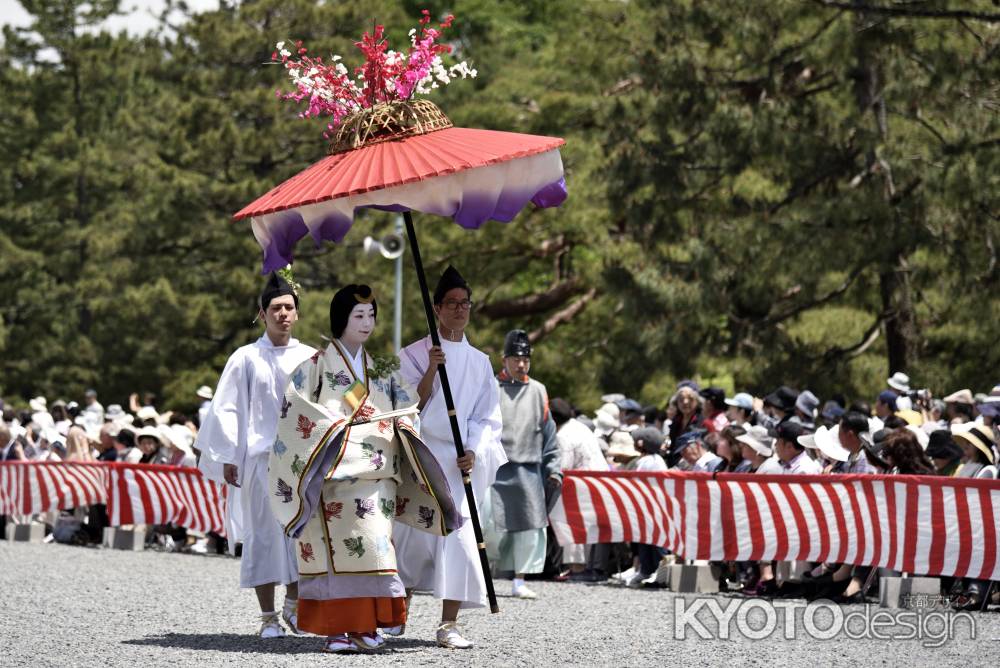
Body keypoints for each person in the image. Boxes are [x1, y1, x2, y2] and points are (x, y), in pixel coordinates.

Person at [269, 284, 462, 653]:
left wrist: (404, 414)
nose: (367, 322)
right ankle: (338, 629)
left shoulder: (382, 369)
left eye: (371, 315)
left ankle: (366, 624)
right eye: (359, 315)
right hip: (334, 474)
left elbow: (408, 406)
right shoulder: (315, 367)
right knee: (335, 553)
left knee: (375, 548)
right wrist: (333, 428)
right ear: (341, 318)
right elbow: (296, 410)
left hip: (376, 477)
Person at [195, 272, 317, 639]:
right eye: (276, 308)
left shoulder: (312, 356)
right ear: (262, 314)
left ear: (297, 314)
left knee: (302, 533)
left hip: (302, 462)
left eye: (289, 308)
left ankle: (294, 605)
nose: (283, 314)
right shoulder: (245, 358)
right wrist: (231, 454)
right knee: (263, 535)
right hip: (260, 459)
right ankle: (267, 617)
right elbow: (227, 408)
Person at [394, 265, 506, 650]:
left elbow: (486, 416)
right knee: (409, 535)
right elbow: (406, 404)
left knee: (458, 540)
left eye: (465, 303)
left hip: (457, 461)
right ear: (437, 308)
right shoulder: (412, 353)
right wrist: (431, 368)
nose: (460, 310)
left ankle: (449, 622)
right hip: (421, 453)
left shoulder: (480, 361)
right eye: (452, 304)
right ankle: (397, 614)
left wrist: (473, 448)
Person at [487, 329, 561, 600]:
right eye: (516, 358)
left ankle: (520, 580)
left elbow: (549, 432)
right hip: (495, 467)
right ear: (504, 359)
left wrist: (554, 468)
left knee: (530, 527)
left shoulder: (539, 390)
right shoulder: (490, 387)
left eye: (526, 359)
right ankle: (485, 577)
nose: (521, 364)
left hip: (529, 467)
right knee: (489, 525)